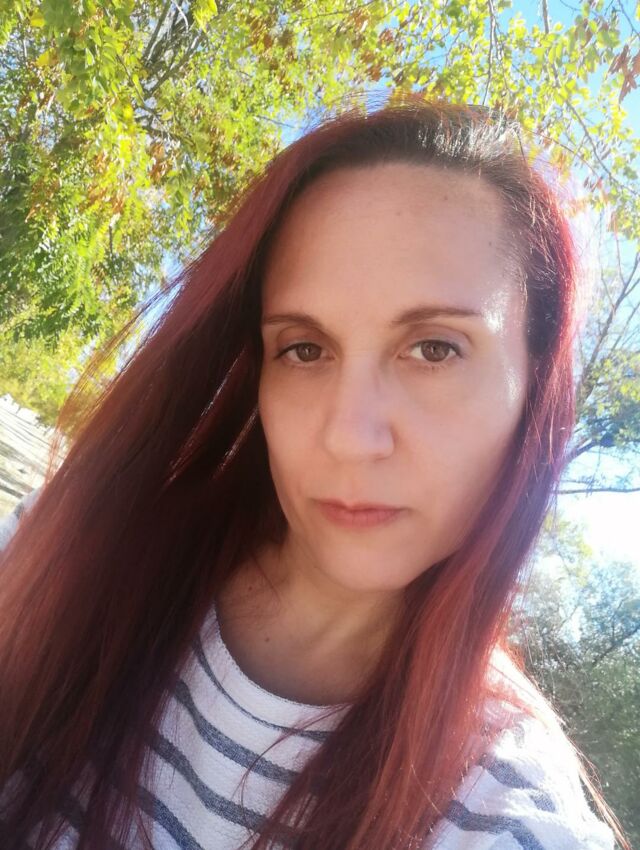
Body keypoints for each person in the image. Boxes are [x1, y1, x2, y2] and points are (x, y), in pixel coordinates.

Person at [0, 97, 629, 850]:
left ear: (534, 390)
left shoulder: (504, 807)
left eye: (435, 349)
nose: (350, 437)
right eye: (304, 349)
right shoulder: (79, 554)